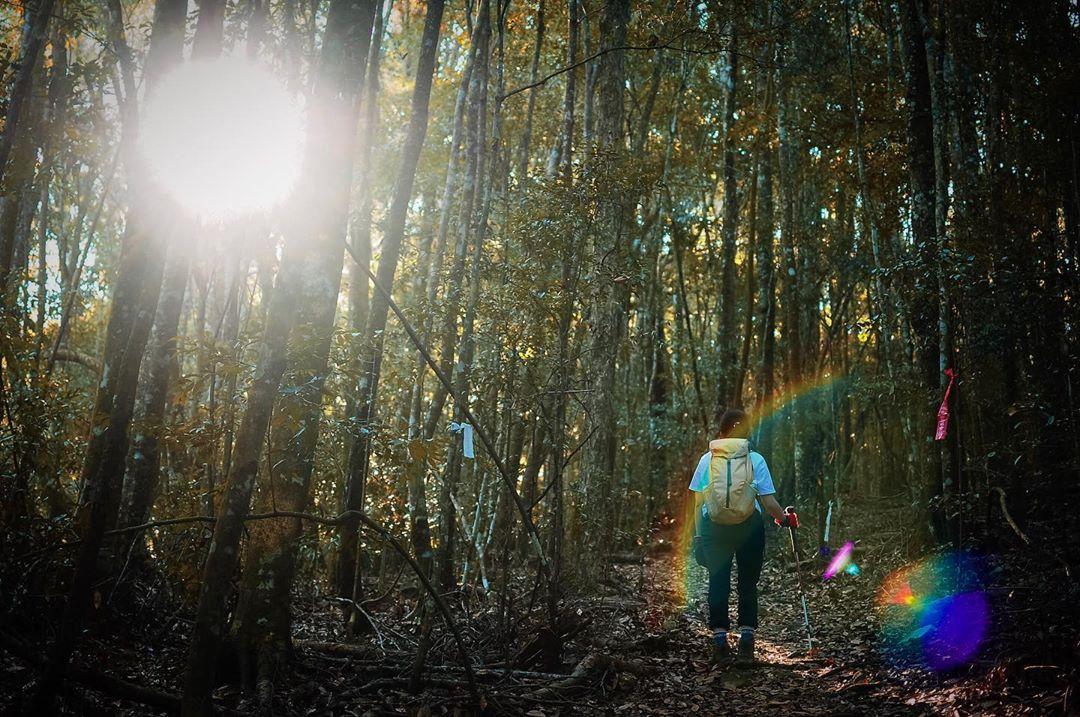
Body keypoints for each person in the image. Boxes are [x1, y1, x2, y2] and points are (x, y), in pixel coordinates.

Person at [689, 408, 796, 665]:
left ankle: (719, 643)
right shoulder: (754, 459)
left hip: (713, 528)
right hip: (749, 527)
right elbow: (768, 502)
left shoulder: (707, 460)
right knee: (747, 583)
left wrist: (698, 537)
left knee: (718, 582)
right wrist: (784, 519)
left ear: (722, 430)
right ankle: (746, 644)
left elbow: (697, 503)